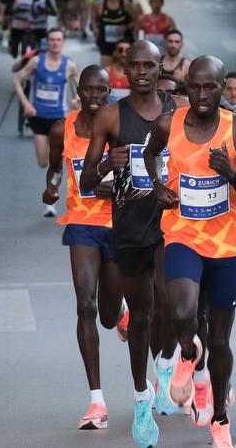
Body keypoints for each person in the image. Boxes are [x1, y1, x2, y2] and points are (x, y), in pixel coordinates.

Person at [144, 55, 236, 447]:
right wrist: (158, 184)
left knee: (219, 342)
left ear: (221, 87)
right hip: (181, 234)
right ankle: (184, 352)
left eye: (209, 87)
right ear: (187, 86)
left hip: (225, 244)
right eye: (194, 86)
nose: (200, 94)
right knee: (181, 312)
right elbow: (149, 154)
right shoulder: (169, 123)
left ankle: (220, 417)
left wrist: (231, 175)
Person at [79, 40, 182, 448]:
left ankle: (170, 363)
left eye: (149, 65)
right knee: (140, 317)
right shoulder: (110, 115)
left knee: (171, 298)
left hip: (173, 224)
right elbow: (87, 182)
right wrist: (108, 163)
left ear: (160, 67)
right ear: (125, 68)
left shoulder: (178, 111)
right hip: (129, 229)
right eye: (134, 65)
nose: (140, 72)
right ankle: (142, 395)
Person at [42, 64, 129, 431]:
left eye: (102, 91)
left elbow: (138, 173)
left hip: (118, 225)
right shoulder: (63, 128)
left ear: (110, 92)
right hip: (81, 225)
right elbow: (54, 167)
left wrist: (117, 185)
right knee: (85, 305)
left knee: (107, 314)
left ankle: (121, 311)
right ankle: (96, 400)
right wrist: (51, 186)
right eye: (88, 91)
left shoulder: (120, 127)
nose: (95, 97)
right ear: (78, 91)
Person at [14, 28, 79, 216]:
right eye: (52, 39)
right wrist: (26, 104)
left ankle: (51, 202)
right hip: (39, 117)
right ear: (47, 42)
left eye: (58, 39)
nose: (55, 43)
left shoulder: (69, 65)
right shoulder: (36, 62)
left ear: (63, 42)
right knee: (43, 162)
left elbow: (83, 85)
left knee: (55, 161)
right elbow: (17, 80)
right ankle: (52, 190)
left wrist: (77, 101)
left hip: (60, 118)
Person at [94, 0, 133, 67]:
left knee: (124, 72)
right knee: (106, 72)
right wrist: (96, 28)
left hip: (123, 44)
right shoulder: (99, 4)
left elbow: (136, 21)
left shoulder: (126, 4)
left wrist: (126, 28)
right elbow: (95, 19)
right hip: (106, 43)